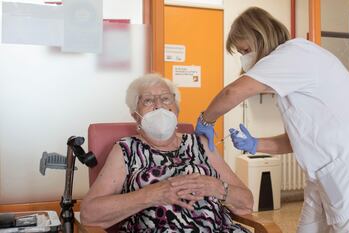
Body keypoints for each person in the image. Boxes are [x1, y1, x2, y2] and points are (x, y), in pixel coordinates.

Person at [195, 7, 349, 233]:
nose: (244, 59)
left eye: (245, 50)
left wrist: (206, 120)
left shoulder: (294, 54)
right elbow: (297, 140)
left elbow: (233, 92)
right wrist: (255, 144)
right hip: (326, 176)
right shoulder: (290, 71)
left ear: (260, 36)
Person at [80, 73, 253, 232]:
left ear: (177, 110)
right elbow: (89, 213)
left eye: (166, 99)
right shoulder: (126, 149)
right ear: (135, 115)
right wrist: (151, 195)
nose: (159, 106)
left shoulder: (200, 144)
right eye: (148, 101)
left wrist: (217, 188)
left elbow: (247, 202)